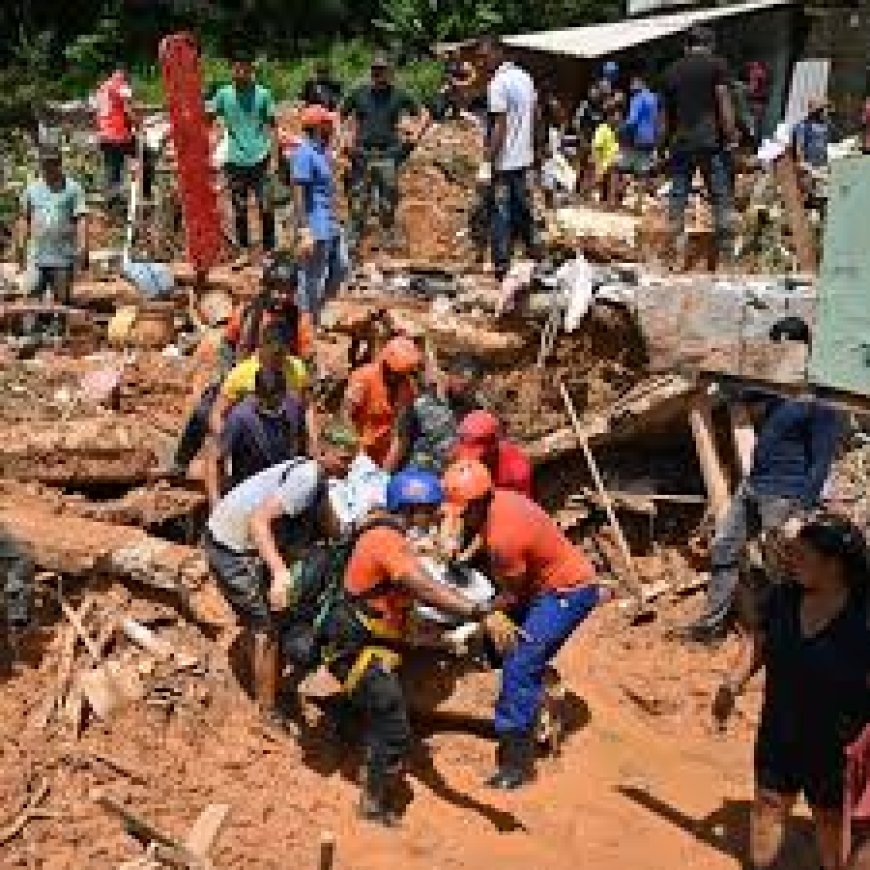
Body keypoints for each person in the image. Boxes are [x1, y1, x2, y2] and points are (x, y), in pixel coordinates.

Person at [325, 468, 518, 823]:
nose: (434, 519)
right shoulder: (385, 541)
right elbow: (425, 589)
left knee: (384, 708)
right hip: (352, 647)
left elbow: (406, 609)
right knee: (394, 725)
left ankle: (358, 742)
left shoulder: (394, 538)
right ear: (411, 508)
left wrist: (444, 637)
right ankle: (373, 805)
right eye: (429, 511)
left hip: (374, 641)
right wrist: (480, 612)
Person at [713, 514, 870, 870]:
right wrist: (732, 683)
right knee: (768, 805)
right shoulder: (784, 598)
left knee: (829, 823)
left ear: (834, 566)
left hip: (836, 747)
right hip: (780, 733)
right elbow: (759, 642)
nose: (791, 562)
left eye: (802, 557)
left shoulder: (863, 616)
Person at [442, 459, 602, 789]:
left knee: (519, 662)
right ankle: (532, 690)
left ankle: (518, 761)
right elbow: (482, 537)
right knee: (498, 646)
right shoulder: (499, 500)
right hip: (544, 585)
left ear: (478, 503)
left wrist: (477, 612)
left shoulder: (506, 536)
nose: (460, 517)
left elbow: (511, 594)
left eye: (463, 511)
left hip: (567, 593)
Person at [204, 427, 359, 716]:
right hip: (231, 548)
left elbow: (329, 520)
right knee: (266, 629)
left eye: (352, 461)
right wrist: (279, 571)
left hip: (240, 535)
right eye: (344, 460)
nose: (348, 468)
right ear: (322, 452)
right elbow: (258, 522)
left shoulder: (319, 477)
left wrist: (351, 537)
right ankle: (267, 711)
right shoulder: (306, 478)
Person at [684, 388, 843, 643]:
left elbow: (821, 462)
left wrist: (802, 511)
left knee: (781, 568)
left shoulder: (823, 405)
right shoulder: (780, 389)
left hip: (783, 497)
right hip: (753, 487)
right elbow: (744, 393)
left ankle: (787, 637)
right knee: (724, 548)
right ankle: (709, 628)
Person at [661, 25, 738, 269]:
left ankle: (674, 255)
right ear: (710, 44)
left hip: (681, 142)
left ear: (687, 45)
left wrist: (663, 143)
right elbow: (723, 100)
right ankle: (724, 258)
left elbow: (665, 115)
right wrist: (730, 133)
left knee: (678, 196)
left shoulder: (672, 71)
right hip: (710, 141)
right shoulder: (717, 66)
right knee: (720, 195)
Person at [341, 54, 426, 253]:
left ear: (390, 72)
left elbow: (422, 113)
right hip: (362, 154)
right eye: (375, 70)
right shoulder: (359, 93)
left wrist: (416, 134)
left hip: (389, 154)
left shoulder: (398, 94)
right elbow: (339, 114)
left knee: (388, 198)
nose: (378, 74)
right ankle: (354, 239)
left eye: (382, 70)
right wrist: (342, 137)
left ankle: (386, 238)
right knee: (358, 197)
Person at [480, 37, 540, 283]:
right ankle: (534, 253)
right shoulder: (525, 78)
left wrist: (487, 162)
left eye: (485, 56)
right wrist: (535, 147)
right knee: (521, 208)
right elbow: (536, 115)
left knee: (500, 211)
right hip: (523, 158)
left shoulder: (498, 83)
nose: (483, 62)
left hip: (504, 162)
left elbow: (499, 126)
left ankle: (502, 266)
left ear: (498, 52)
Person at [208, 47, 278, 257]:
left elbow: (273, 126)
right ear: (231, 70)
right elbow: (208, 119)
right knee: (239, 208)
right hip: (234, 159)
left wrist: (274, 158)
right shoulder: (223, 94)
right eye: (236, 68)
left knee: (266, 206)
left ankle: (269, 248)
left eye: (244, 68)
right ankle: (244, 249)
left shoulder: (263, 94)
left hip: (260, 157)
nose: (240, 72)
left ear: (250, 70)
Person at [205, 368, 307, 506]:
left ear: (284, 393)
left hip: (284, 487)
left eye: (277, 401)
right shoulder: (240, 418)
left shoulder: (293, 407)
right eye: (267, 402)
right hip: (249, 490)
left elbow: (302, 441)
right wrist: (215, 502)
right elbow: (214, 459)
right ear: (256, 395)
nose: (273, 407)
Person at [209, 320, 315, 451]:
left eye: (283, 354)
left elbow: (307, 407)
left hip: (286, 446)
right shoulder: (241, 374)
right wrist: (228, 442)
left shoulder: (297, 368)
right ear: (262, 346)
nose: (278, 360)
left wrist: (312, 439)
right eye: (275, 354)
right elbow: (217, 414)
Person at [16, 145, 89, 322]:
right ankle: (32, 334)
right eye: (46, 163)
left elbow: (81, 219)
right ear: (41, 164)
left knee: (62, 300)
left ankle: (59, 336)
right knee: (33, 296)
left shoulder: (73, 189)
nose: (49, 167)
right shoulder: (32, 189)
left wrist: (83, 247)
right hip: (37, 255)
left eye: (53, 163)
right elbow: (24, 218)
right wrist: (20, 247)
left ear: (60, 163)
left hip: (63, 256)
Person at [293, 105, 348, 333]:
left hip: (331, 223)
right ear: (317, 127)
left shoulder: (320, 151)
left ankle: (318, 310)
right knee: (312, 277)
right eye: (326, 125)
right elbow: (297, 190)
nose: (331, 129)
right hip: (316, 224)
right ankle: (307, 323)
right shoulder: (304, 153)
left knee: (342, 267)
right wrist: (304, 228)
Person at [343, 336, 422, 471]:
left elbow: (400, 434)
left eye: (401, 375)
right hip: (358, 452)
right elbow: (346, 416)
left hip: (385, 456)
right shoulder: (363, 378)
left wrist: (385, 471)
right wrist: (354, 455)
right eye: (394, 373)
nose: (396, 378)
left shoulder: (407, 389)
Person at [452, 410, 533, 498]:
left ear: (493, 446)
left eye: (478, 456)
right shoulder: (462, 453)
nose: (473, 462)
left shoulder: (516, 472)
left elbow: (518, 506)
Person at [621, 74, 659, 186]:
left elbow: (632, 121)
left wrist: (620, 130)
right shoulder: (653, 97)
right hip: (650, 137)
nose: (630, 86)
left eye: (633, 83)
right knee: (644, 169)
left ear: (641, 82)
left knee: (624, 167)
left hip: (636, 137)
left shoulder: (637, 98)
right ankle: (640, 199)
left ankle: (617, 196)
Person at [591, 107, 621, 204]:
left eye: (619, 117)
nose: (618, 119)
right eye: (616, 117)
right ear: (609, 117)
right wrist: (598, 165)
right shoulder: (602, 129)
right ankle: (610, 199)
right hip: (604, 162)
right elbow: (596, 148)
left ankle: (613, 198)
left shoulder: (617, 131)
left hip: (615, 161)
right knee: (613, 169)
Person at [794, 98, 832, 170]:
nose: (825, 112)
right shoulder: (803, 126)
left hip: (823, 164)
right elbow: (799, 148)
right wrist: (802, 165)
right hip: (810, 165)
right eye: (822, 110)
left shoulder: (825, 125)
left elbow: (825, 144)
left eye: (825, 109)